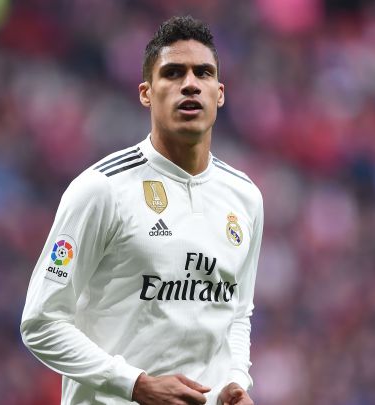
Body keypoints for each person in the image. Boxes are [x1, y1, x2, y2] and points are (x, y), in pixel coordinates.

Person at [20, 15, 262, 405]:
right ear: (146, 93)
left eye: (203, 73)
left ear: (219, 93)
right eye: (173, 73)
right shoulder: (101, 189)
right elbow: (41, 322)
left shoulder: (245, 196)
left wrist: (235, 380)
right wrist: (135, 384)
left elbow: (236, 312)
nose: (190, 84)